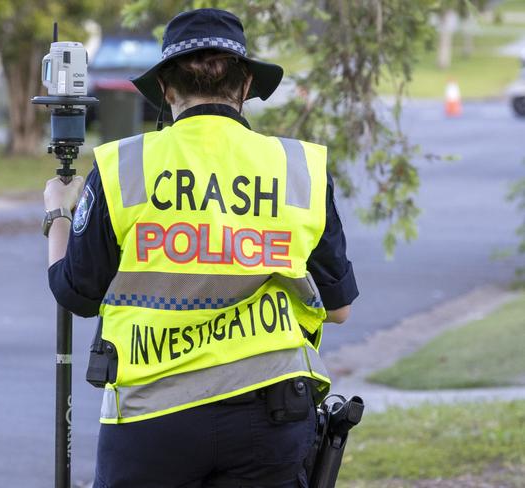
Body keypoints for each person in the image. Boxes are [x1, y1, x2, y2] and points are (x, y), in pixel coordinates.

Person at [44, 8, 358, 488]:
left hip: (153, 421)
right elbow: (338, 311)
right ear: (247, 84)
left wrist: (57, 214)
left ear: (166, 90)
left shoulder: (123, 167)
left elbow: (77, 294)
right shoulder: (300, 169)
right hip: (271, 416)